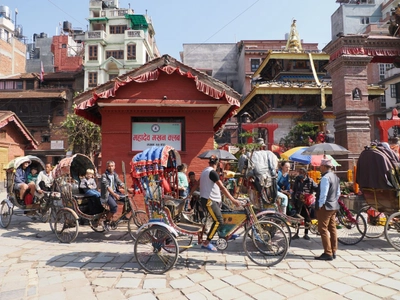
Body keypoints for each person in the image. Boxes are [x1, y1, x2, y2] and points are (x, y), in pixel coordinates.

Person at [187, 155, 242, 251]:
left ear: (209, 163)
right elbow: (222, 188)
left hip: (213, 200)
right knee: (218, 221)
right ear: (217, 164)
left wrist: (190, 194)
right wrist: (233, 200)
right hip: (209, 201)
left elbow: (196, 184)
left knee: (228, 212)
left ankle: (225, 234)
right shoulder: (212, 173)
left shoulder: (205, 171)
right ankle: (206, 243)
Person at [315, 158, 341, 261]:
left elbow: (323, 194)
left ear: (324, 167)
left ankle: (328, 252)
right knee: (332, 228)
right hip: (334, 205)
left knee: (323, 229)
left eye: (321, 166)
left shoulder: (326, 178)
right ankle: (334, 250)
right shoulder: (335, 177)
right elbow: (338, 193)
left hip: (326, 207)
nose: (320, 168)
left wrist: (321, 204)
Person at [292, 168, 318, 240]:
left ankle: (306, 234)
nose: (301, 174)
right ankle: (296, 233)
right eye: (300, 172)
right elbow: (294, 190)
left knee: (307, 218)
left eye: (302, 172)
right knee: (298, 218)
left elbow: (316, 188)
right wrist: (294, 199)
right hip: (299, 202)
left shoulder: (310, 181)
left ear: (305, 173)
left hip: (307, 203)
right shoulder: (297, 180)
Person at [100, 161, 125, 231]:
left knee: (127, 199)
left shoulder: (115, 175)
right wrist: (114, 194)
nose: (111, 167)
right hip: (107, 195)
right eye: (109, 166)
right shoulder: (104, 176)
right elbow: (107, 187)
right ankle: (106, 221)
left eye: (112, 166)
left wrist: (127, 189)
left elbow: (119, 182)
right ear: (107, 167)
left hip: (115, 192)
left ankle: (124, 216)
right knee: (114, 207)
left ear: (114, 167)